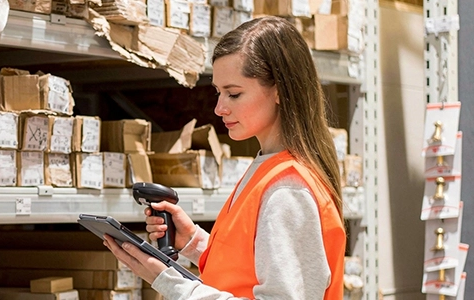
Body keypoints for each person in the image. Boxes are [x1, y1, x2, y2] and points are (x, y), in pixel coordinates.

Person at [102, 16, 347, 300]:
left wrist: (170, 283)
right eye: (219, 92)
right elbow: (252, 267)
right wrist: (193, 242)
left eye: (234, 94)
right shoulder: (269, 167)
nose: (219, 108)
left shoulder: (288, 189)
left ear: (280, 91)